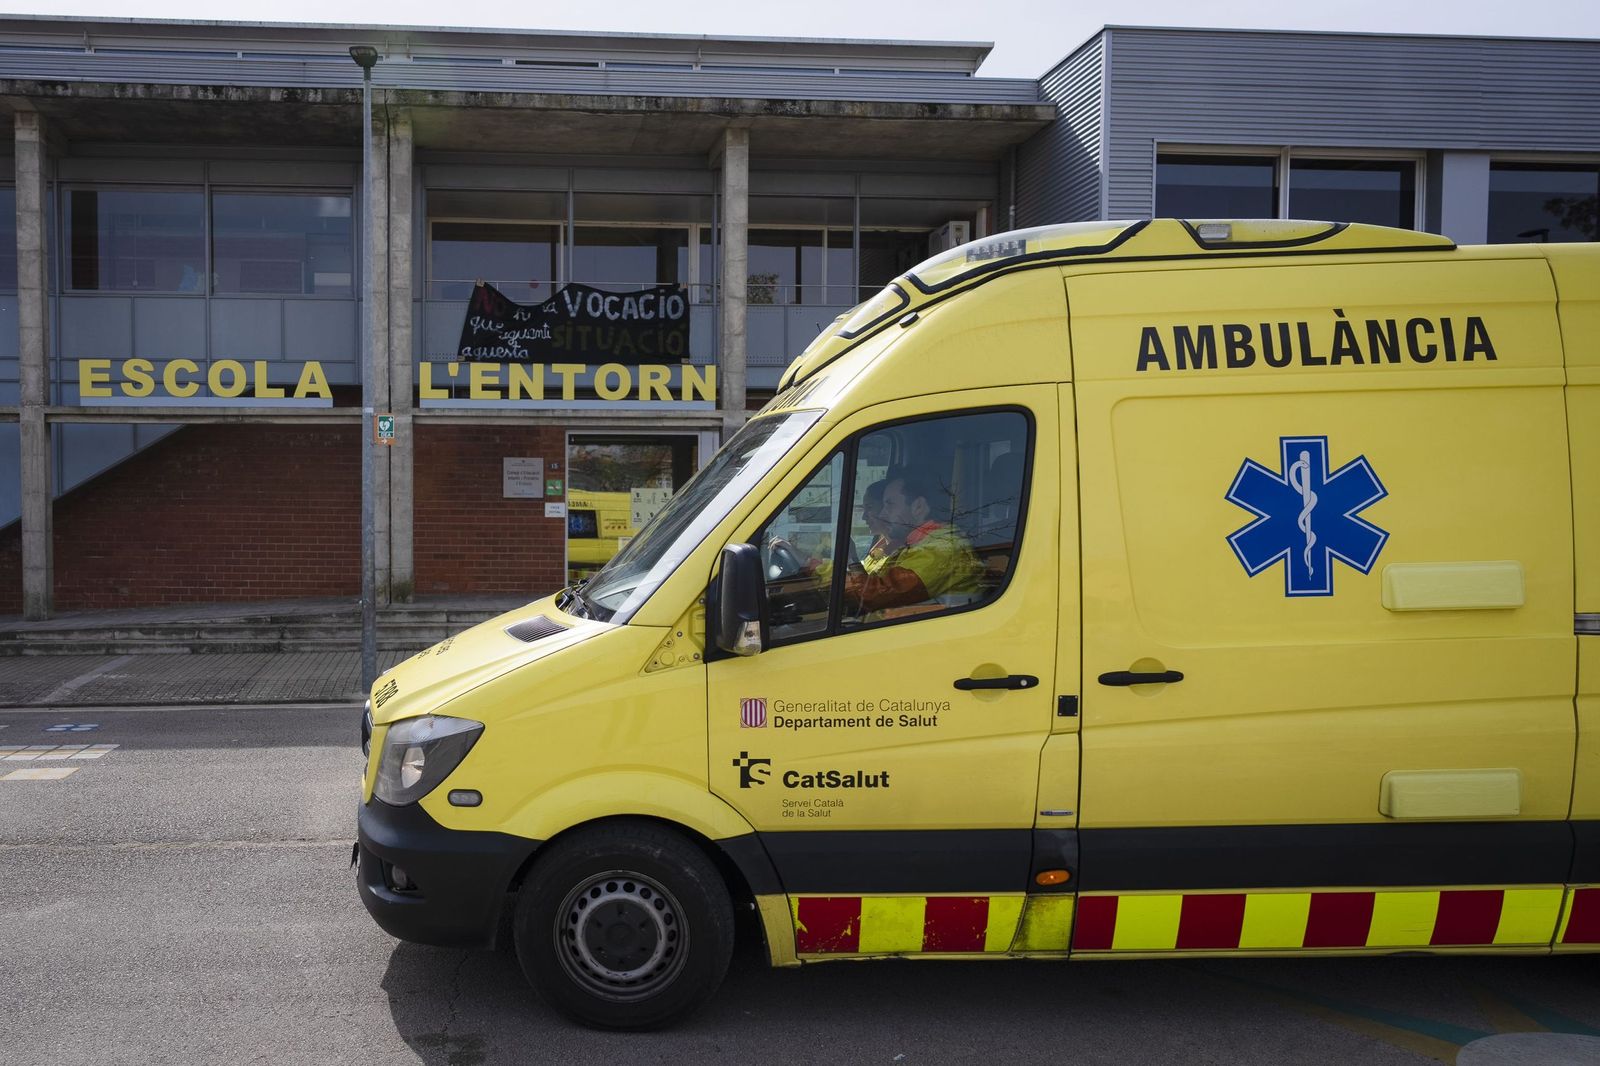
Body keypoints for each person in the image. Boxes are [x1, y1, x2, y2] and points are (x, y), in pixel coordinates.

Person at [841, 469, 982, 620]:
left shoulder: (940, 549)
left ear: (918, 507)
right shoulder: (921, 545)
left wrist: (850, 558)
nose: (882, 514)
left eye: (890, 505)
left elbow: (871, 597)